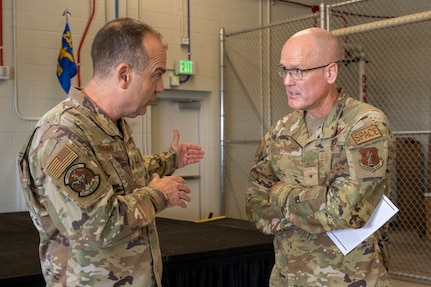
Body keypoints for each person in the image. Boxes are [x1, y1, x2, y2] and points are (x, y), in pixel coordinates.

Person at [18, 18, 204, 287]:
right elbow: (98, 224)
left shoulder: (111, 124)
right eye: (156, 74)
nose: (161, 86)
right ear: (124, 75)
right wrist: (160, 194)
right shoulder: (61, 134)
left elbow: (124, 174)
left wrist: (169, 160)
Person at [246, 27, 395, 287]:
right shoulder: (282, 129)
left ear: (330, 72)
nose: (287, 81)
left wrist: (279, 194)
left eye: (298, 71)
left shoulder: (363, 125)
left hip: (349, 279)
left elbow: (345, 210)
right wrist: (308, 210)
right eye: (284, 70)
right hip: (288, 277)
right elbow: (253, 198)